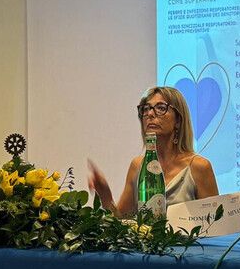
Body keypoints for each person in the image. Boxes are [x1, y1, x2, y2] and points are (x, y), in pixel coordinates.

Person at [89, 87, 219, 217]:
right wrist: (105, 197)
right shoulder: (137, 165)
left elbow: (216, 224)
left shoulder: (199, 166)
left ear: (178, 121)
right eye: (146, 109)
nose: (150, 114)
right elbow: (120, 222)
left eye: (161, 108)